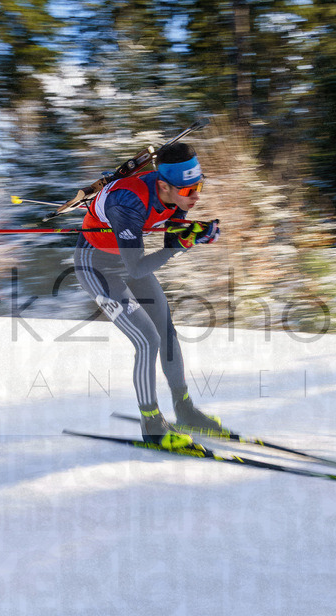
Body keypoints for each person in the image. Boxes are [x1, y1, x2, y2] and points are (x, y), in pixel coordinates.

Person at [73, 142, 223, 450]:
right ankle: (152, 424)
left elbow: (174, 229)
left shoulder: (176, 193)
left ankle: (184, 409)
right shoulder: (127, 203)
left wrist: (195, 231)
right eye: (188, 190)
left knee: (166, 331)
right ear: (165, 185)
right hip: (97, 267)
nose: (195, 196)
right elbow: (138, 268)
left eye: (199, 185)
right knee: (147, 339)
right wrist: (178, 247)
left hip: (128, 262)